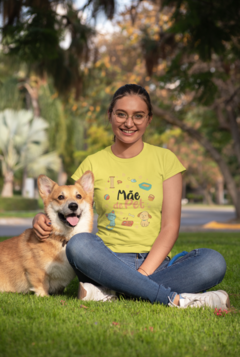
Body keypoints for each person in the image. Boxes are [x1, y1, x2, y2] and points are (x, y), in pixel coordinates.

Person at [33, 84, 229, 309]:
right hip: (104, 261)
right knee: (79, 245)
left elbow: (170, 227)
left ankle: (113, 291)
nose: (129, 123)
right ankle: (178, 300)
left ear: (149, 119)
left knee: (213, 262)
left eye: (138, 116)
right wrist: (39, 218)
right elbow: (66, 201)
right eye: (121, 114)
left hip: (156, 262)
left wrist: (143, 273)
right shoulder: (93, 162)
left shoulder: (166, 160)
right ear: (110, 116)